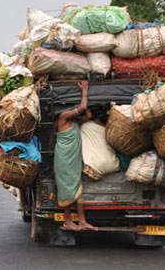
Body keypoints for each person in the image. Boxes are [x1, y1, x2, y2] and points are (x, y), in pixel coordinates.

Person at [55, 80, 98, 231]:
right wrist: (84, 90)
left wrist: (81, 106)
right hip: (64, 161)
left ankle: (82, 221)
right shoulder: (62, 118)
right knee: (67, 189)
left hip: (74, 160)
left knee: (78, 190)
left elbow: (88, 114)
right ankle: (67, 221)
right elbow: (83, 108)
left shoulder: (75, 123)